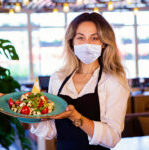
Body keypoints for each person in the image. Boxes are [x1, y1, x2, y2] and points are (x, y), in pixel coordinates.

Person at [32, 12, 130, 150]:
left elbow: (112, 138)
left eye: (94, 38)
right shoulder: (58, 78)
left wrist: (75, 116)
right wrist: (25, 114)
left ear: (103, 43)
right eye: (80, 37)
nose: (87, 44)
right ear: (72, 41)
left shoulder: (113, 80)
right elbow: (51, 131)